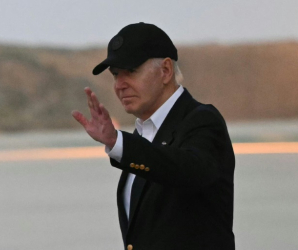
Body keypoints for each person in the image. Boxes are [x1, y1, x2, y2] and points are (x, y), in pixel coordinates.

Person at [72, 22, 235, 250]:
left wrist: (117, 142)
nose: (120, 84)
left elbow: (188, 170)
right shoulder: (143, 133)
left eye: (131, 71)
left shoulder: (202, 120)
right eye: (116, 74)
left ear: (166, 71)